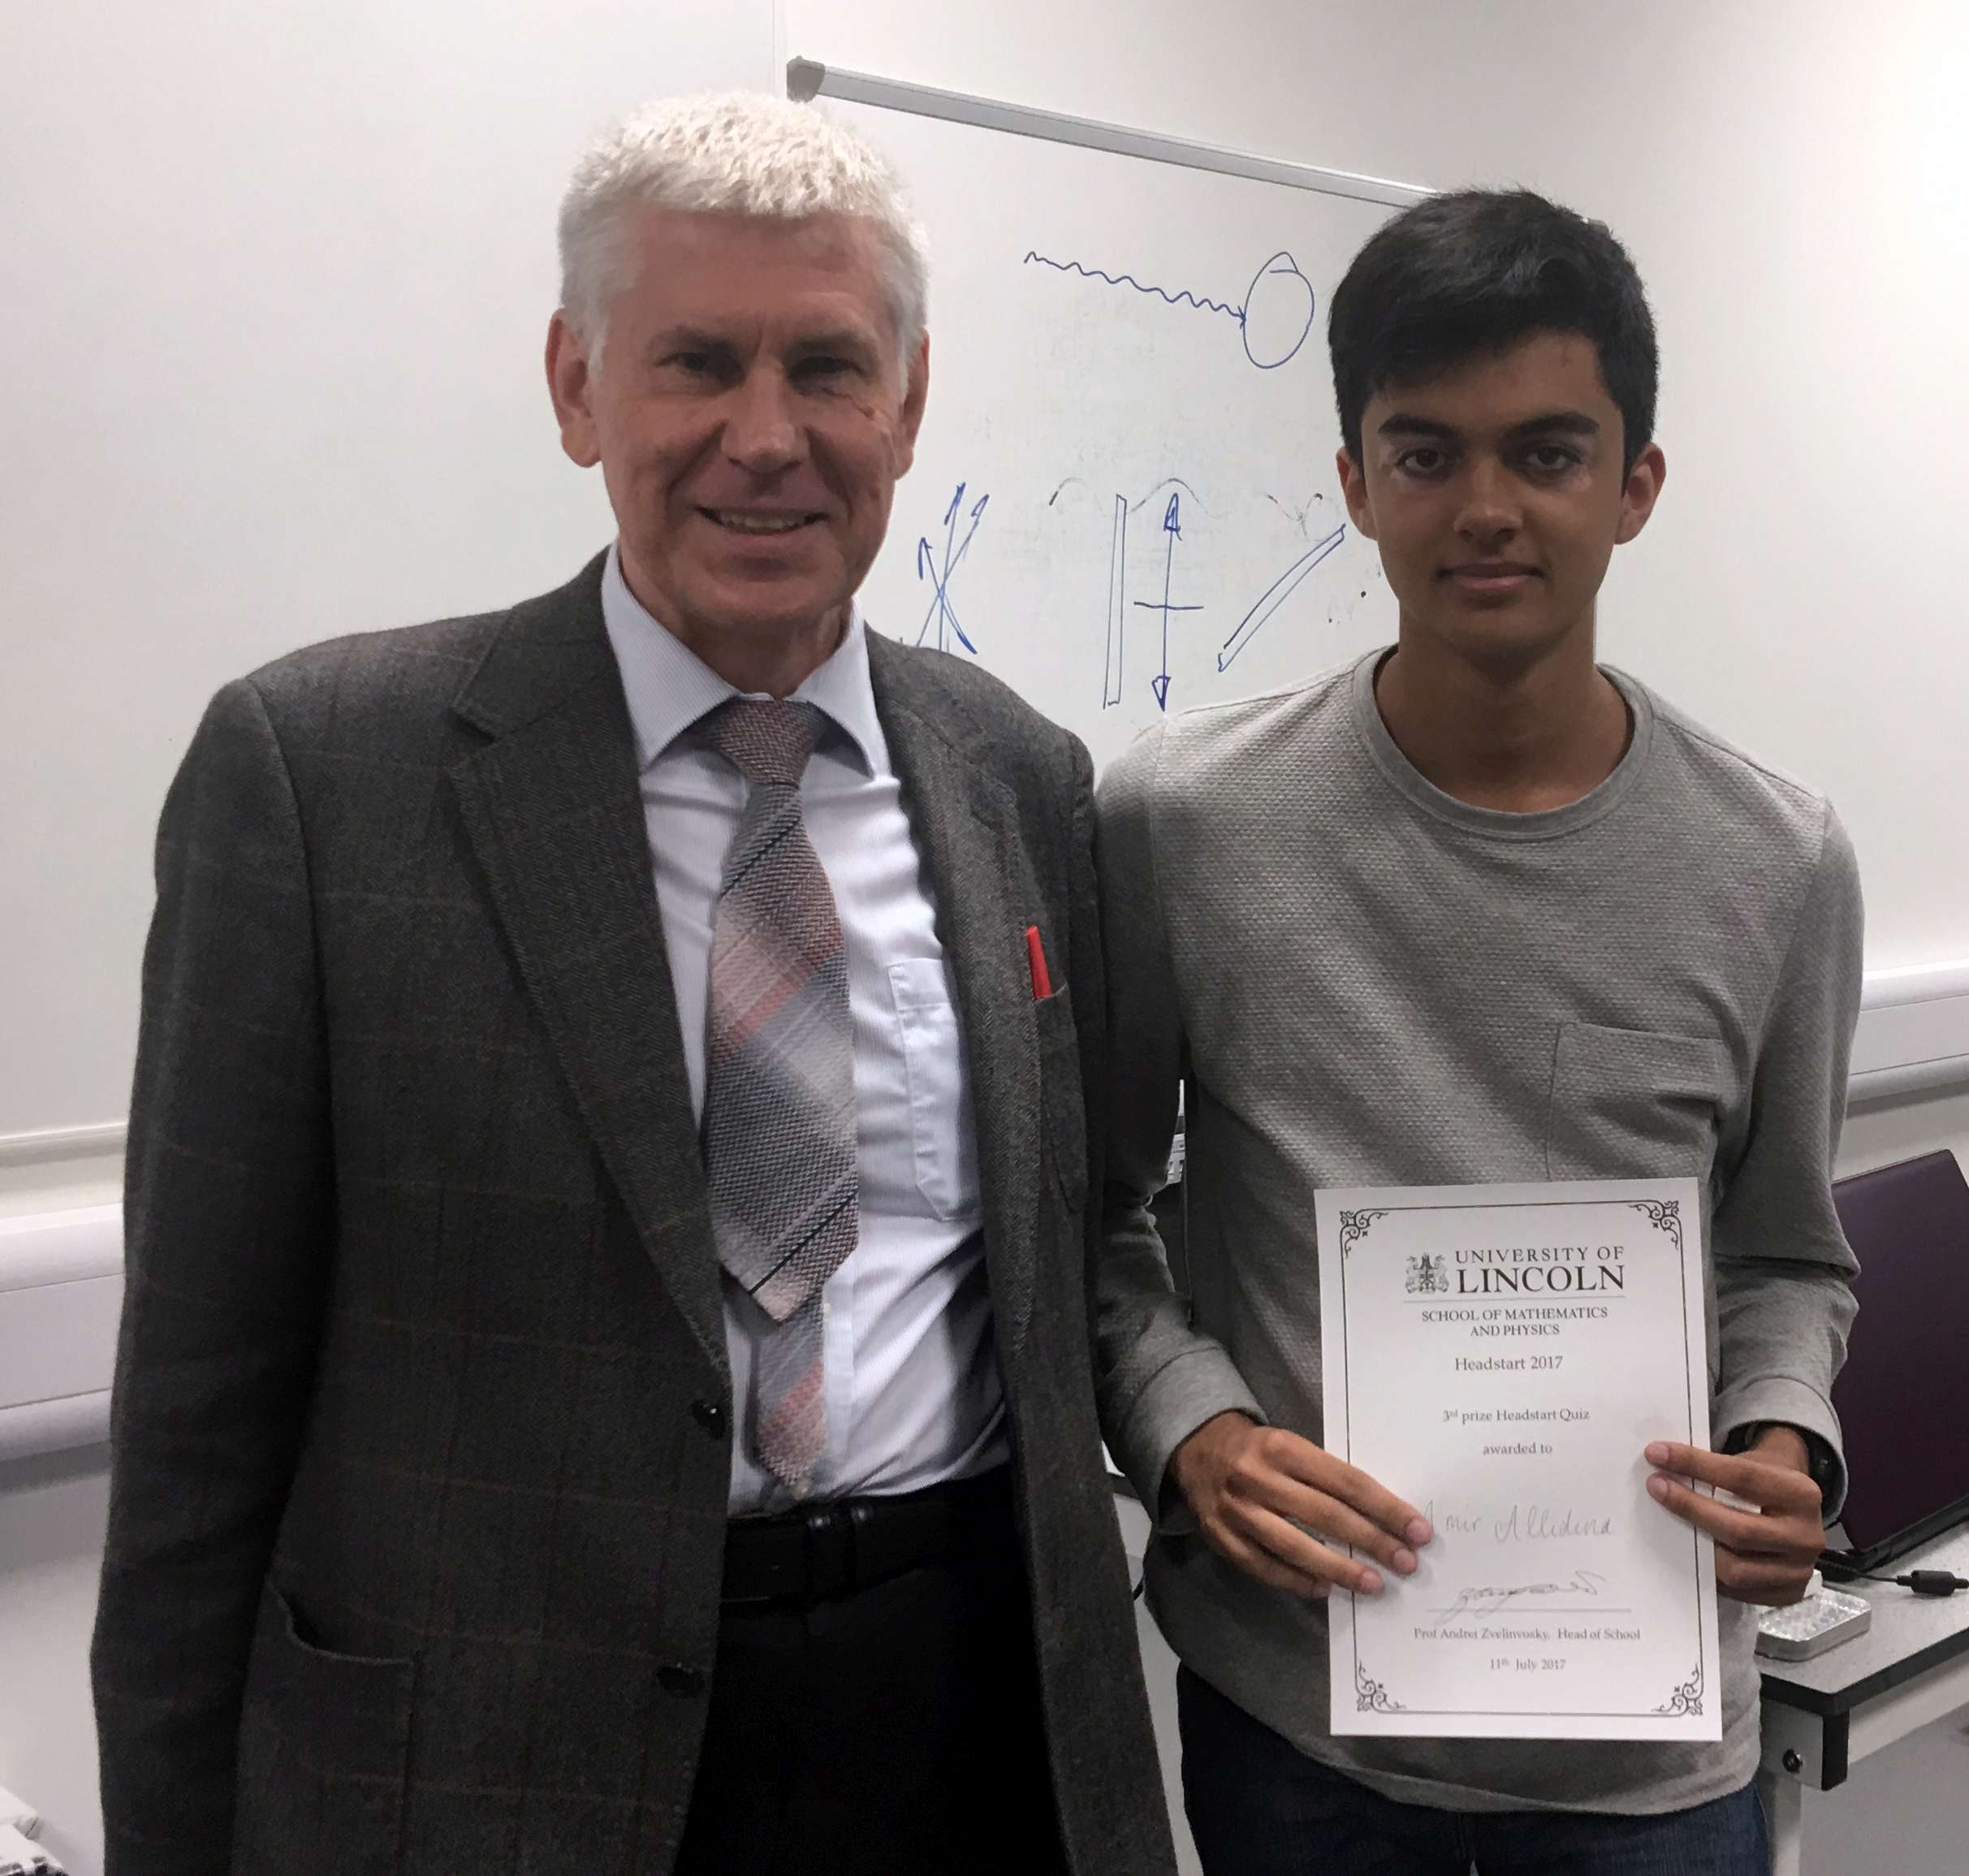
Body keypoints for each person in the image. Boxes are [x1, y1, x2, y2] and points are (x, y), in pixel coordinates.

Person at [93, 92, 1172, 1876]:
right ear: (576, 385)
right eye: (695, 363)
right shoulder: (321, 774)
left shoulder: (1018, 778)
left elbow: (1080, 1245)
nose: (766, 438)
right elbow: (196, 1419)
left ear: (906, 402)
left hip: (965, 1719)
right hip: (497, 1765)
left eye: (826, 367)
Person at [1094, 188, 1863, 1875]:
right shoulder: (1180, 825)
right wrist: (1189, 1428)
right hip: (1295, 1723)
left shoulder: (1777, 860)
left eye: (1547, 453)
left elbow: (1787, 1252)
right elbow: (1096, 1216)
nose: (1486, 508)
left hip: (1647, 1764)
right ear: (1355, 481)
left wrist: (1782, 1433)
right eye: (1426, 454)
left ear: (1634, 485)